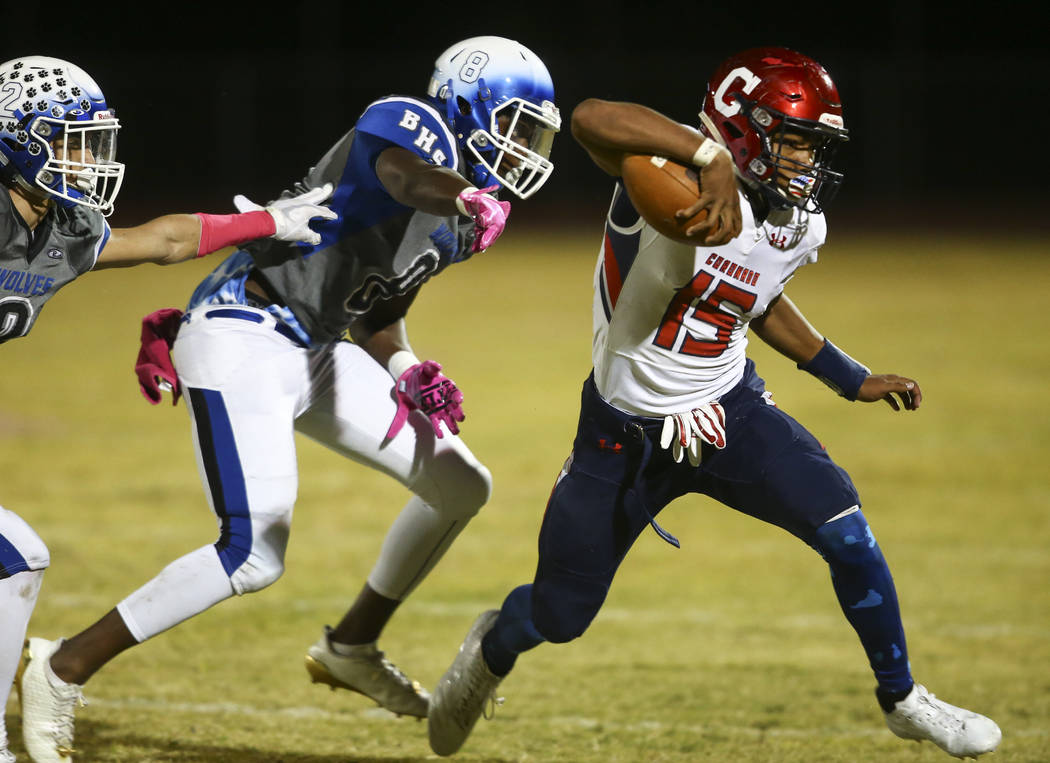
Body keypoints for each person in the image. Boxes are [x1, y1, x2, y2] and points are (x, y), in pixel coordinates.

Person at [16, 36, 620, 763]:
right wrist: (459, 190)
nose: (526, 148)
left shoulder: (471, 217)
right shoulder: (410, 126)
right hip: (244, 328)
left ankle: (352, 643)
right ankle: (62, 665)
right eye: (517, 126)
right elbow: (402, 176)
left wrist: (405, 364)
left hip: (318, 347)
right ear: (468, 106)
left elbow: (377, 306)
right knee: (252, 554)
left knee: (461, 483)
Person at [427, 47, 1003, 760]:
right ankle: (491, 649)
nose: (805, 161)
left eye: (813, 146)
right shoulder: (662, 176)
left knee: (848, 532)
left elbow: (754, 300)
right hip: (625, 435)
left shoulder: (799, 221)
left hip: (726, 410)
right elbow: (588, 118)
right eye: (794, 141)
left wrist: (850, 376)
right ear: (745, 129)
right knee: (560, 612)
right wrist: (709, 155)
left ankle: (904, 697)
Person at [0, 55, 334, 763]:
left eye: (89, 142)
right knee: (15, 556)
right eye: (66, 140)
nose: (85, 159)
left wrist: (269, 221)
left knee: (16, 557)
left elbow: (166, 240)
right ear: (15, 137)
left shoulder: (57, 230)